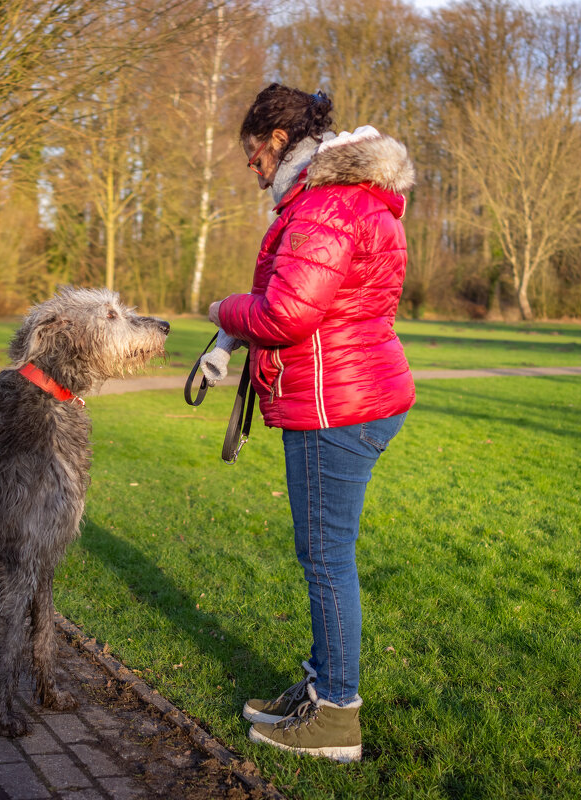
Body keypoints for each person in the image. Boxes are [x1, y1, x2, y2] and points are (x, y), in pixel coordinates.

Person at [207, 83, 416, 761]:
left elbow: (285, 313)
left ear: (276, 142)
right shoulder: (345, 198)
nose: (249, 166)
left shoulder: (326, 204)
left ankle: (337, 718)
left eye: (251, 152)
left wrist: (223, 312)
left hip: (336, 405)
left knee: (326, 560)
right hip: (352, 394)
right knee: (324, 555)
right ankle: (322, 687)